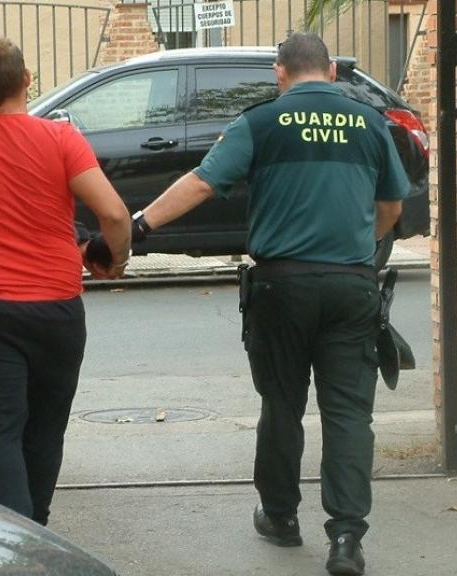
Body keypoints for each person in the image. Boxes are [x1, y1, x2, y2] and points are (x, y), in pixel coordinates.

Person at [129, 32, 409, 575]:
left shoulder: (260, 122)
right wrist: (359, 250)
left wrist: (139, 225)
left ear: (279, 73)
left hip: (282, 288)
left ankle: (280, 517)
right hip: (351, 284)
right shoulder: (372, 123)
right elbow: (392, 206)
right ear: (331, 72)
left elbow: (203, 182)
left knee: (281, 404)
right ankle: (347, 537)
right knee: (349, 413)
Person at [0, 38, 131, 526]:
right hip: (57, 309)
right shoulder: (63, 140)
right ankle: (37, 532)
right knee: (46, 429)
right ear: (28, 80)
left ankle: (17, 543)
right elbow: (113, 212)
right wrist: (114, 258)